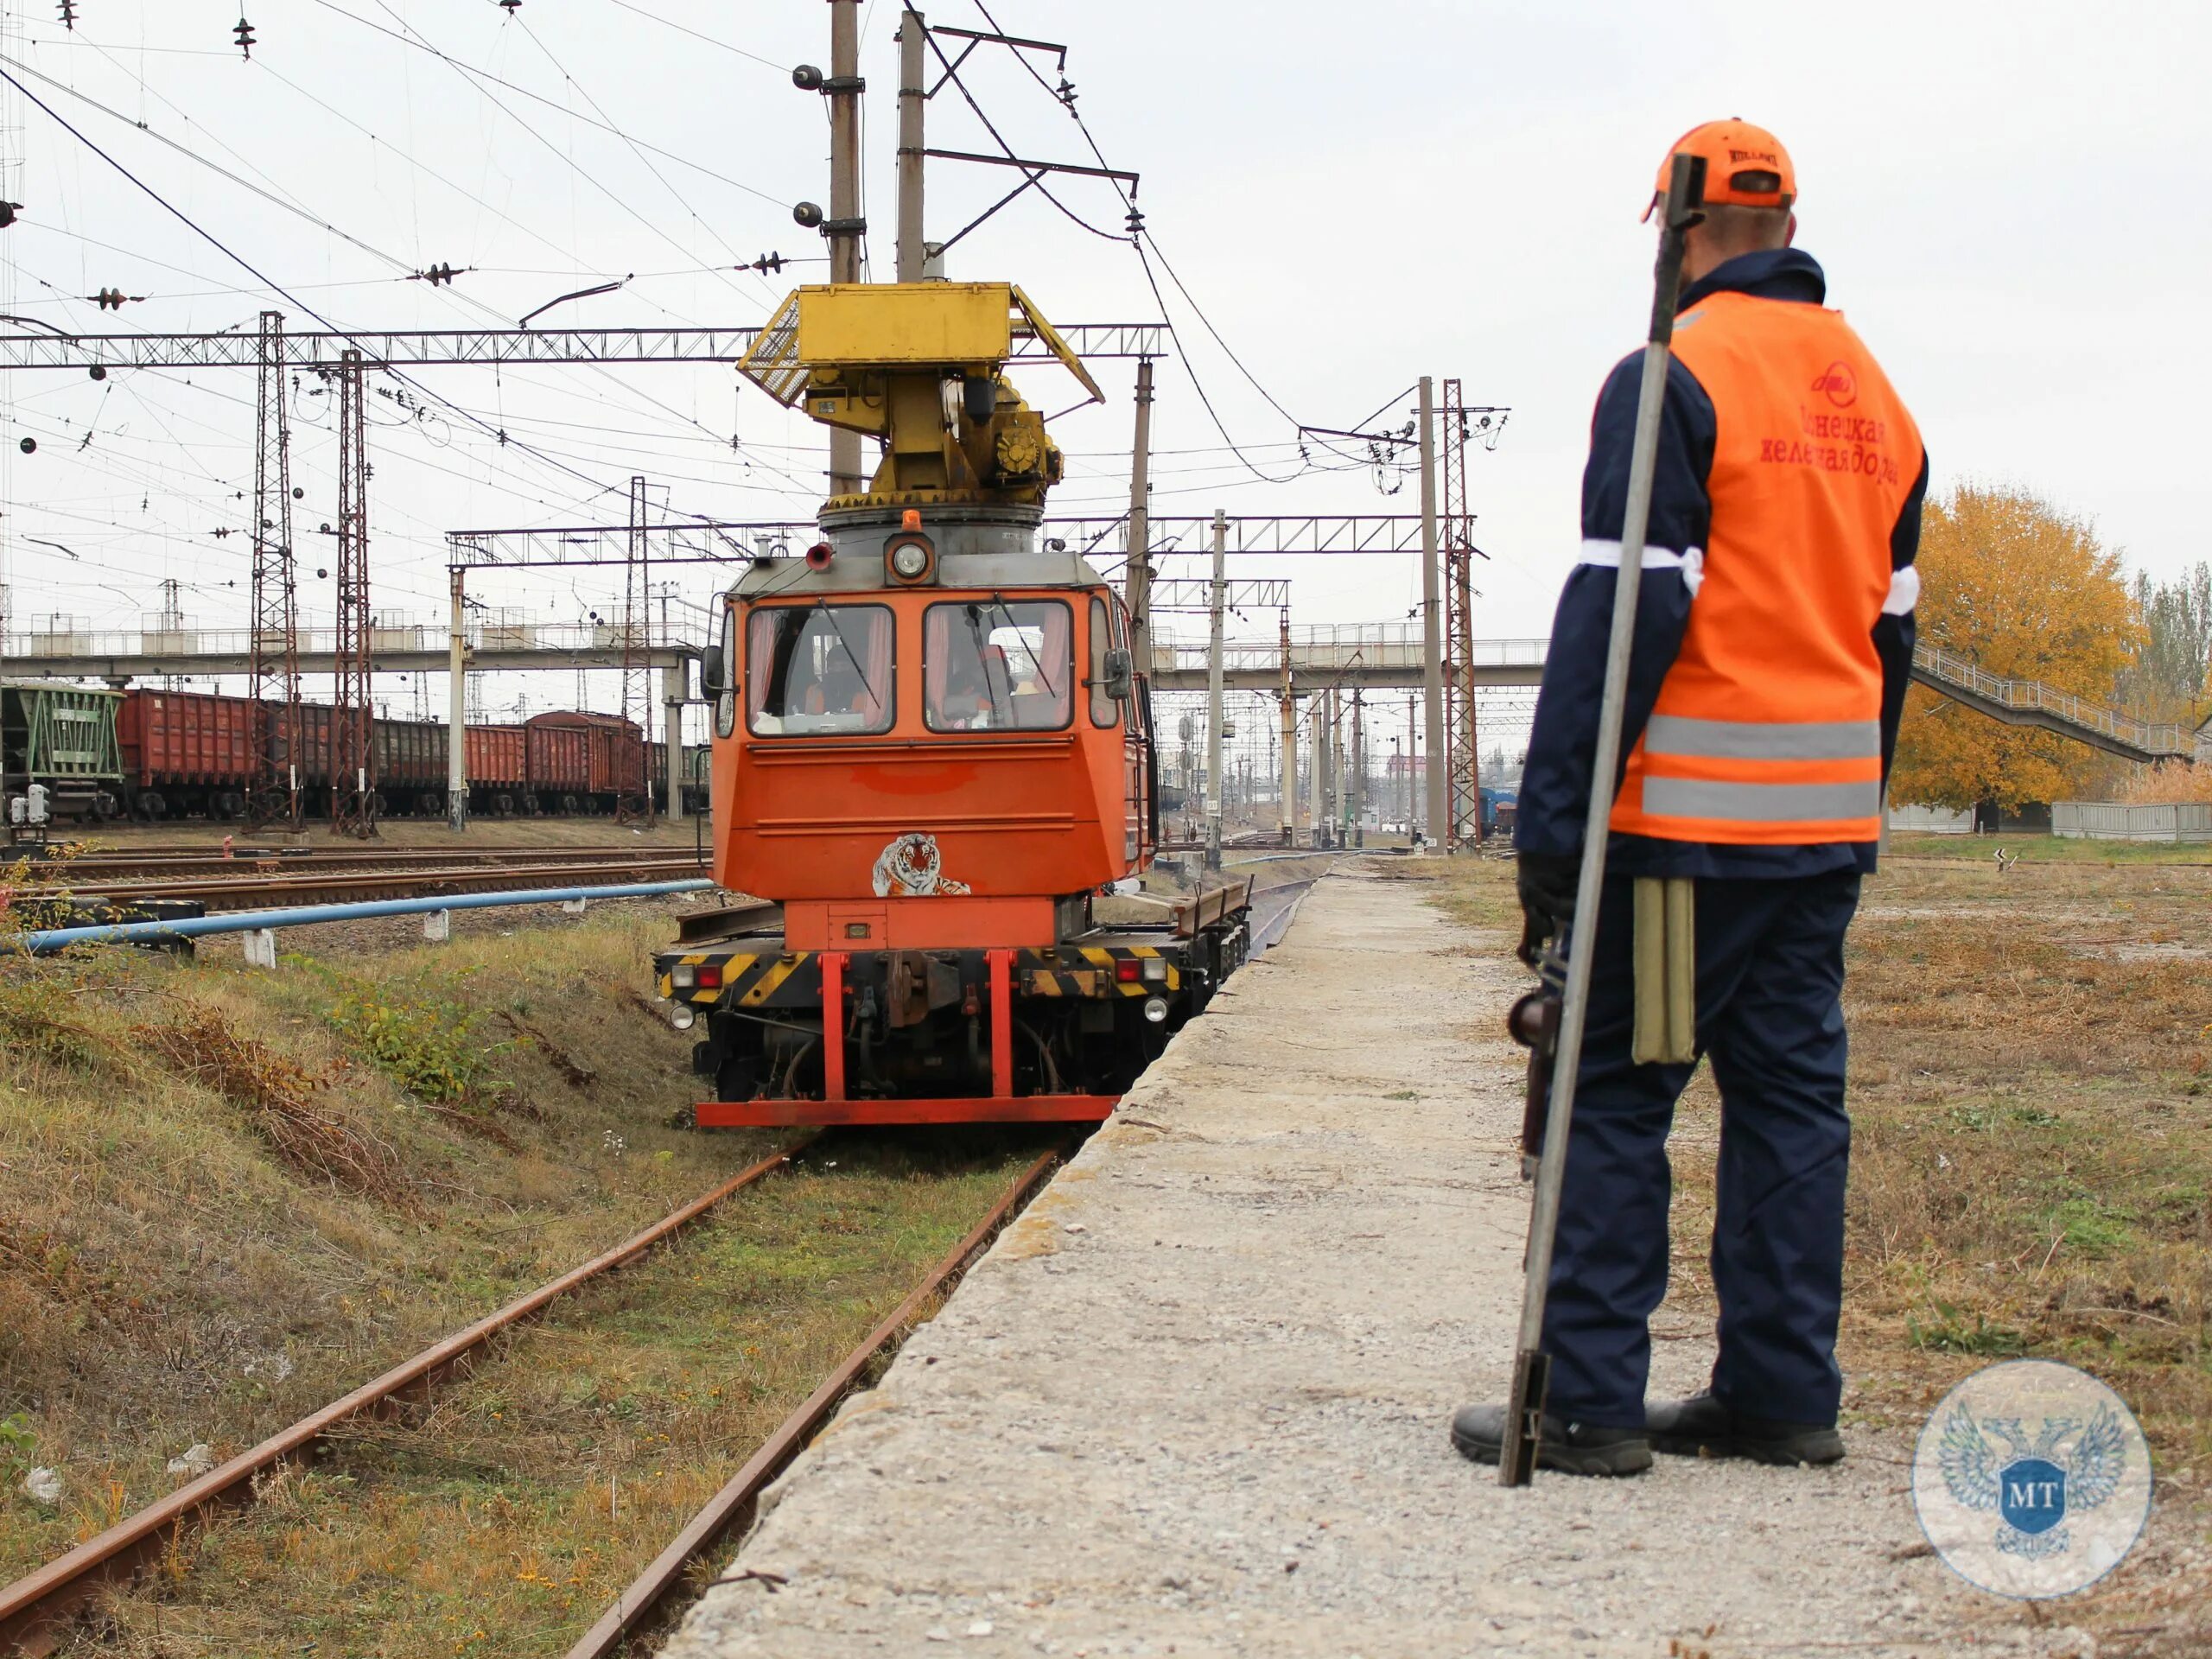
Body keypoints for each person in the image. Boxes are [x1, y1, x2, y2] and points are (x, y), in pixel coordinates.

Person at [1452, 119, 1927, 1478]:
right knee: (1791, 1108)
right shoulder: (1878, 401)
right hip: (1819, 837)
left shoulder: (1672, 378)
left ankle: (1590, 1403)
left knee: (1611, 1094)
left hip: (1680, 839)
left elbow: (1624, 611)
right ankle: (1783, 1396)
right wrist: (1852, 801)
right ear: (1787, 229)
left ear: (1677, 233)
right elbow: (1891, 638)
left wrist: (1551, 829)